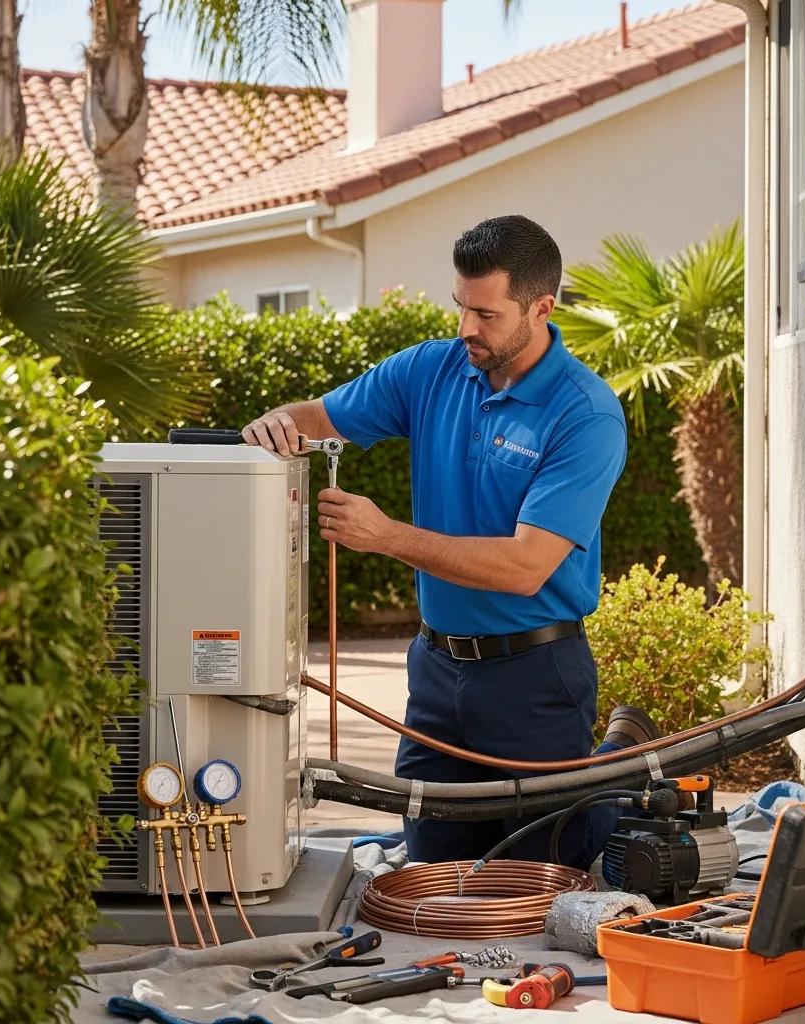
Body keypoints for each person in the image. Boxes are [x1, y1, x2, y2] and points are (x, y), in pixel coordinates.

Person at [242, 214, 659, 870]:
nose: (466, 327)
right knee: (433, 873)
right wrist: (276, 423)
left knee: (542, 874)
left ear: (541, 309)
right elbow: (318, 418)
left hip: (534, 675)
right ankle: (596, 776)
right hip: (436, 673)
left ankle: (618, 769)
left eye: (486, 314)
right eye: (460, 306)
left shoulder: (585, 414)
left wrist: (385, 536)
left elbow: (525, 567)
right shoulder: (429, 370)